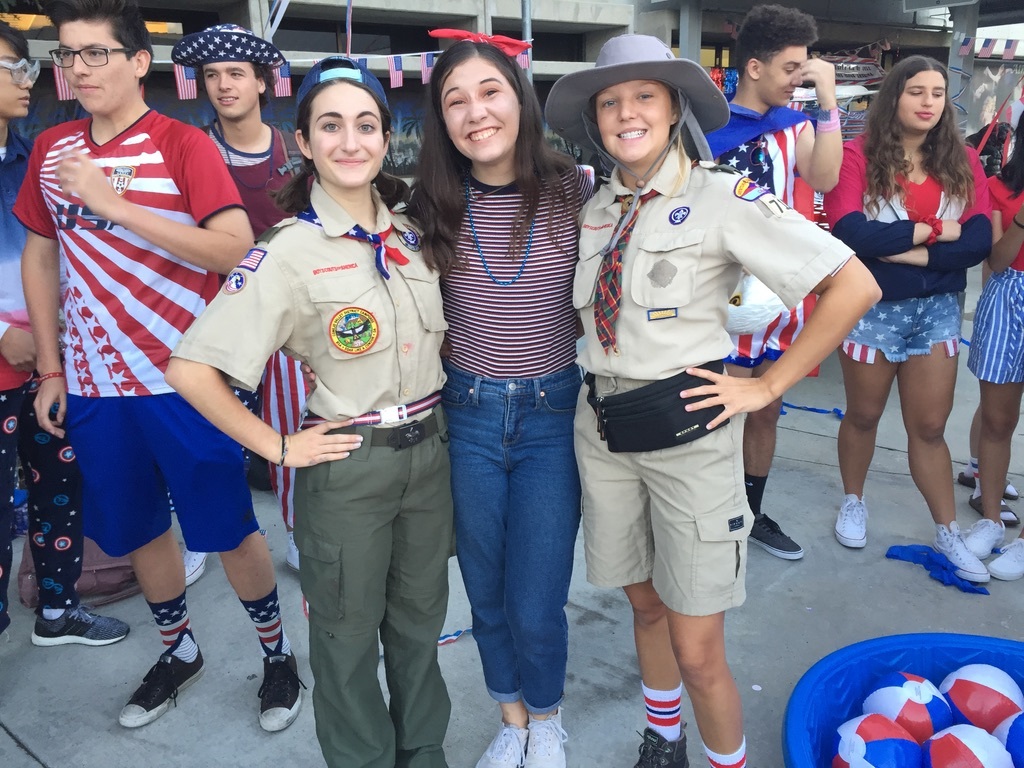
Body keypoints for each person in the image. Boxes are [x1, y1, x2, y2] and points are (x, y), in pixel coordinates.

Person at [545, 34, 878, 768]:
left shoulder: (723, 196)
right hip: (602, 434)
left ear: (673, 109)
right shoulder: (596, 209)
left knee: (698, 650)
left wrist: (768, 384)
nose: (625, 113)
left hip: (688, 437)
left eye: (643, 97)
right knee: (644, 607)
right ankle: (663, 741)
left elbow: (853, 285)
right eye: (610, 101)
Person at [16, 0, 300, 732]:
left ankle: (276, 656)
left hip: (184, 377)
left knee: (228, 526)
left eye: (96, 54)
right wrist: (51, 366)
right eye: (67, 56)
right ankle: (179, 650)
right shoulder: (50, 150)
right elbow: (43, 254)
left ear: (140, 63)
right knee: (139, 529)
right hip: (93, 385)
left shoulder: (182, 144)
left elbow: (236, 248)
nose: (79, 69)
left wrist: (115, 206)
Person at [166, 56, 454, 768]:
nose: (350, 141)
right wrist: (279, 447)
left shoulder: (416, 234)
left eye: (366, 125)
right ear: (303, 141)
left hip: (430, 458)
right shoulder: (288, 252)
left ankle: (423, 755)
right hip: (350, 466)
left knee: (420, 632)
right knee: (347, 643)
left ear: (388, 139)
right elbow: (191, 368)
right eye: (331, 126)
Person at [408, 35, 593, 768]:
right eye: (456, 101)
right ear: (441, 119)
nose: (475, 112)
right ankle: (511, 719)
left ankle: (547, 718)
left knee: (538, 598)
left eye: (490, 93)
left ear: (520, 100)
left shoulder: (576, 188)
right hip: (469, 417)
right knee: (483, 591)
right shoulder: (423, 206)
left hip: (553, 416)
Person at [822, 56, 993, 581]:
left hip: (937, 312)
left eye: (938, 93)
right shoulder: (856, 156)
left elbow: (980, 242)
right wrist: (932, 232)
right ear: (893, 96)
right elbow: (850, 232)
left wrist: (907, 252)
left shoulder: (963, 160)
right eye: (916, 91)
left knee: (929, 426)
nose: (927, 102)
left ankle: (947, 533)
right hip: (870, 307)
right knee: (864, 416)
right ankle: (854, 500)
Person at [0, 18, 129, 646]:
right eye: (9, 65)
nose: (27, 79)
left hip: (54, 357)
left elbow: (51, 255)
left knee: (59, 486)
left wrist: (48, 350)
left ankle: (58, 609)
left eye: (27, 65)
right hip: (6, 354)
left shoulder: (40, 153)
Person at [705, 4, 842, 561]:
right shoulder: (707, 127)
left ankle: (751, 511)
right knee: (720, 406)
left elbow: (827, 178)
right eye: (792, 68)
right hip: (719, 292)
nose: (800, 79)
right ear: (755, 67)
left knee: (766, 407)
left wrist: (828, 105)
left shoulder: (797, 126)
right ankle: (715, 513)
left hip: (780, 292)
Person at [172, 23, 306, 578]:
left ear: (261, 83)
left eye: (235, 74)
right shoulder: (192, 151)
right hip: (217, 314)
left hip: (288, 317)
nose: (223, 85)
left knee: (295, 428)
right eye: (211, 76)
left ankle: (299, 530)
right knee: (208, 435)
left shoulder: (293, 151)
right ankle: (206, 535)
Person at [963, 106, 1024, 580]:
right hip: (1007, 298)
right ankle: (989, 518)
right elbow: (997, 262)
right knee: (998, 420)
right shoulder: (1000, 188)